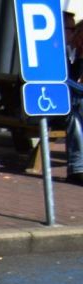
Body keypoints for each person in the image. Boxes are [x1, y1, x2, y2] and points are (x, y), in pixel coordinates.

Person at [65, 3, 83, 185]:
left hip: (71, 103)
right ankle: (77, 168)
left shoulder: (76, 57)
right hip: (51, 105)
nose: (74, 33)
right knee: (76, 113)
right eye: (72, 28)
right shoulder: (57, 53)